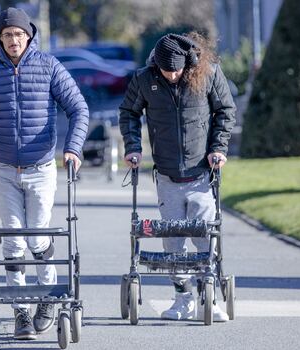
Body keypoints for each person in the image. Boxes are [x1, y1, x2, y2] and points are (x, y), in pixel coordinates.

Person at [0, 7, 89, 340]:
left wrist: (73, 148)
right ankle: (20, 312)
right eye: (6, 35)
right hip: (2, 168)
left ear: (28, 36)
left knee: (38, 236)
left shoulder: (48, 66)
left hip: (41, 167)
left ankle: (46, 299)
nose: (13, 40)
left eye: (18, 34)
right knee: (13, 240)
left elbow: (78, 108)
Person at [119, 32, 236, 322]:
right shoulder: (145, 79)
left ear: (188, 63)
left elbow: (225, 110)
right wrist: (133, 148)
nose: (171, 75)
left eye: (176, 70)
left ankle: (207, 293)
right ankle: (182, 297)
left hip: (201, 174)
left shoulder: (207, 73)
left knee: (204, 236)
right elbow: (128, 113)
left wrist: (218, 149)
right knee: (172, 240)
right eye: (165, 70)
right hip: (167, 174)